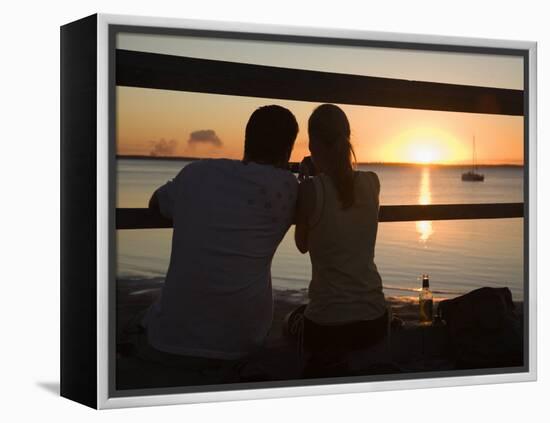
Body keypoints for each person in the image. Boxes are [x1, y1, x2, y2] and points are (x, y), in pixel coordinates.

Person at [141, 105, 299, 379]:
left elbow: (156, 203)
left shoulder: (196, 173)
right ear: (288, 151)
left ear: (247, 140)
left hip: (168, 338)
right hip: (242, 341)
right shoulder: (289, 188)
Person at [288, 103, 388, 377]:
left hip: (328, 326)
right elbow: (341, 191)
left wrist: (308, 183)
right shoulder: (372, 182)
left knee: (291, 321)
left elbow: (302, 245)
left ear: (313, 144)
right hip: (375, 320)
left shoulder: (310, 189)